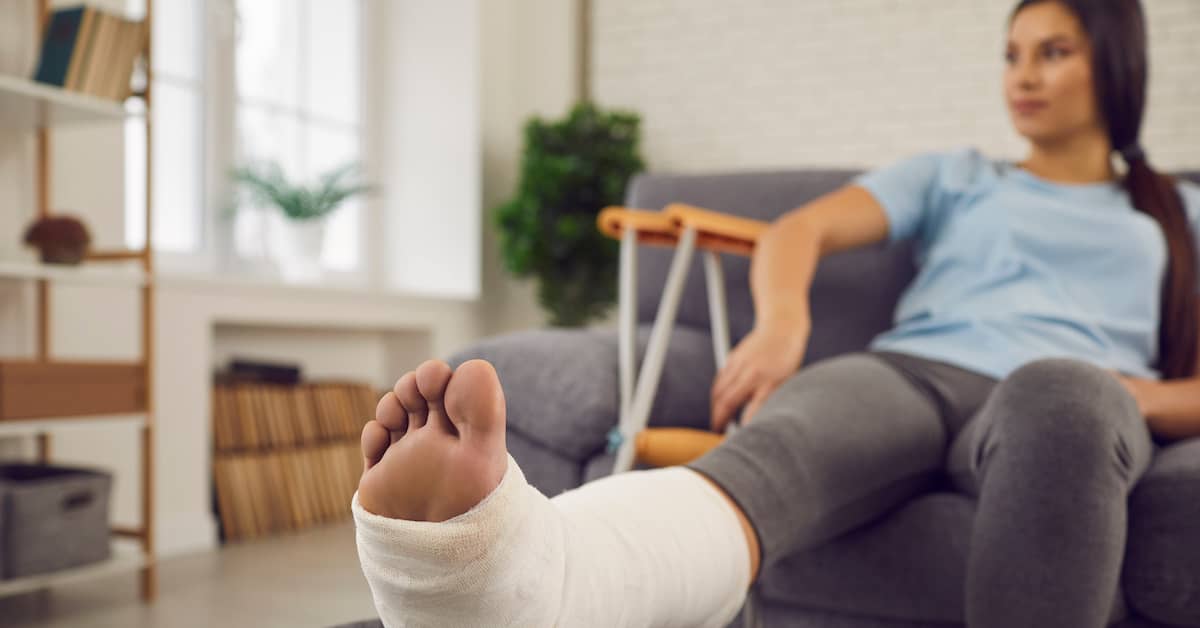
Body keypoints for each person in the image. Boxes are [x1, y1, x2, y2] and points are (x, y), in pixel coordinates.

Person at [351, 1, 1200, 626]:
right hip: (913, 374)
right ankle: (508, 581)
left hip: (1069, 394)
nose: (1023, 74)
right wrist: (783, 324)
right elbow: (801, 230)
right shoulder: (959, 176)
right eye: (1012, 53)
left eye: (1053, 52)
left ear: (1116, 65)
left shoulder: (1176, 214)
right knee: (774, 458)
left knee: (1062, 395)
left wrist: (1129, 392)